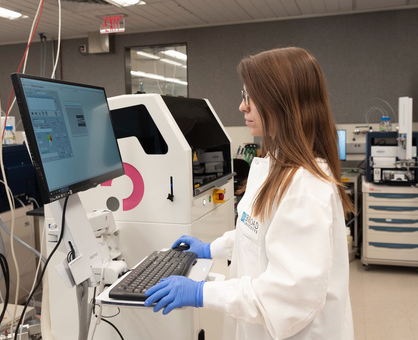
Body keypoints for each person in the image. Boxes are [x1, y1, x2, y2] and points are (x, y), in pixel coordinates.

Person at [144, 47, 355, 339]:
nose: (242, 106)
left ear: (281, 102)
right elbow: (256, 233)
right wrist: (210, 249)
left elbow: (288, 296)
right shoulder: (272, 164)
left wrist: (203, 292)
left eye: (250, 97)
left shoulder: (304, 186)